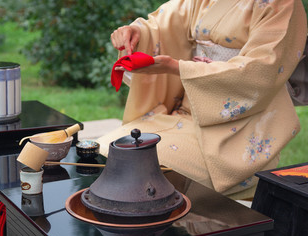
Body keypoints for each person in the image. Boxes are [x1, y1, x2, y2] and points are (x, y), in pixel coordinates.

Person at [97, 0, 307, 199]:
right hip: (188, 111)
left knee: (134, 167)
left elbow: (262, 70)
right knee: (104, 152)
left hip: (241, 131)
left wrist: (178, 67)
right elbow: (164, 24)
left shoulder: (281, 4)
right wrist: (138, 33)